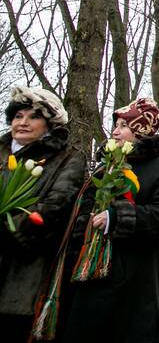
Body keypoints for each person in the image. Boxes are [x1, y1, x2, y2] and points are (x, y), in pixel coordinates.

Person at [57, 98, 159, 343]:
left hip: (134, 282)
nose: (115, 130)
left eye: (124, 125)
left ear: (141, 129)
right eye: (116, 124)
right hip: (91, 275)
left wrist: (117, 218)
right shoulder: (105, 168)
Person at [0, 87, 86, 341]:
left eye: (33, 117)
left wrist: (9, 231)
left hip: (27, 272)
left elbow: (54, 207)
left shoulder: (66, 159)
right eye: (18, 116)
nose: (23, 122)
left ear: (49, 123)